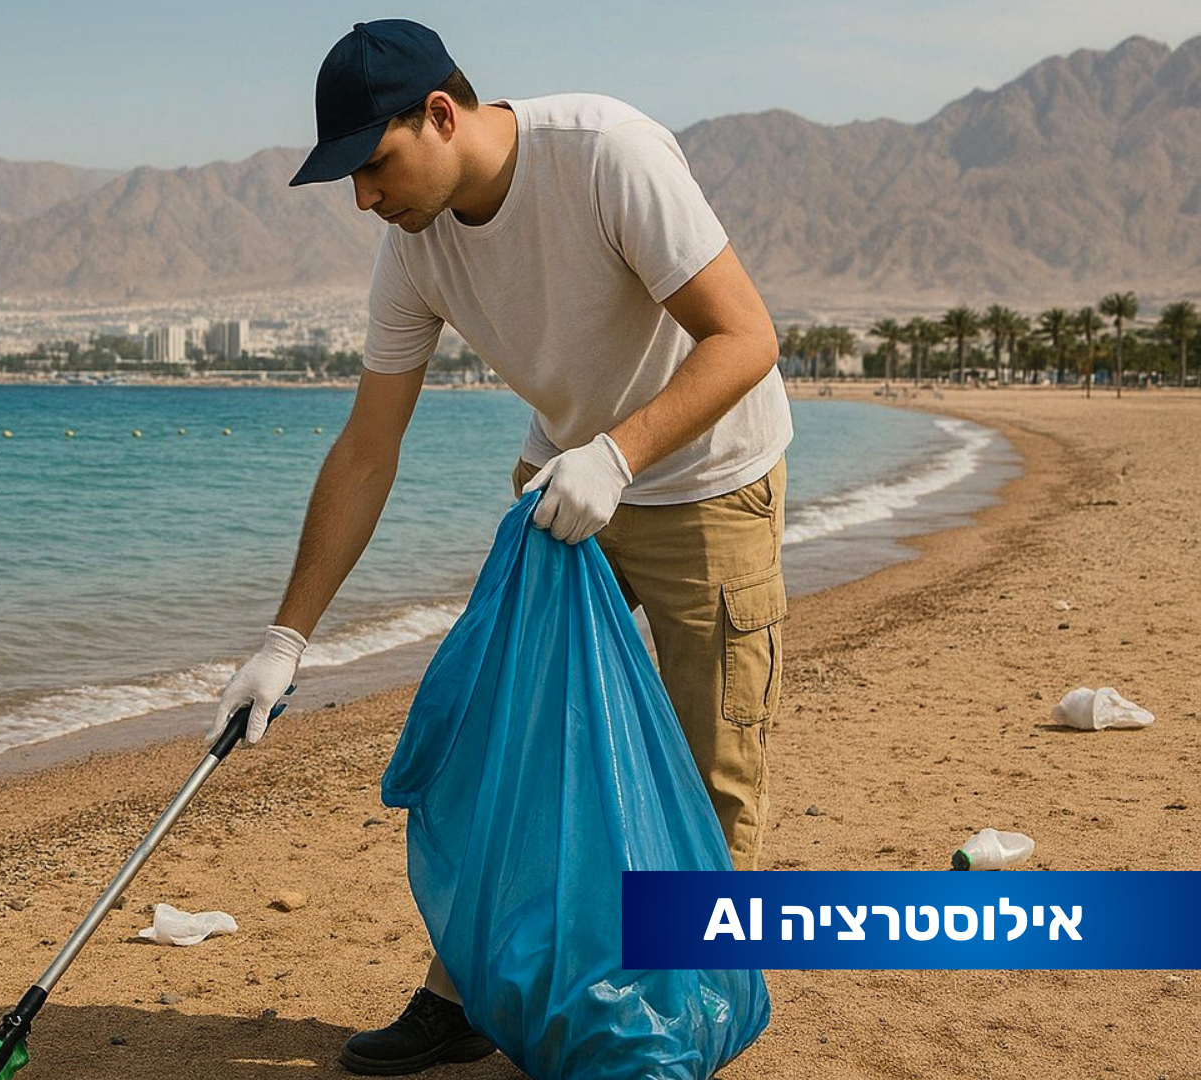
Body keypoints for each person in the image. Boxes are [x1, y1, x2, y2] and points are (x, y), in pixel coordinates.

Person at [207, 18, 794, 1076]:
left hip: (708, 476)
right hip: (565, 492)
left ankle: (686, 1027)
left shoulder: (607, 154)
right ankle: (467, 994)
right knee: (518, 753)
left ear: (442, 113)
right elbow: (366, 448)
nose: (364, 199)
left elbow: (745, 335)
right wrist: (285, 640)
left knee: (713, 774)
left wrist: (619, 455)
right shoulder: (416, 250)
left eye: (374, 165)